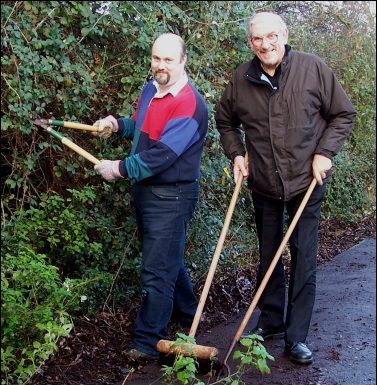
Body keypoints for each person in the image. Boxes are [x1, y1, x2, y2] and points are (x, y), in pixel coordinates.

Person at [215, 12, 356, 365]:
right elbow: (225, 121)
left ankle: (296, 337)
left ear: (284, 35)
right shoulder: (240, 80)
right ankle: (272, 321)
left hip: (306, 182)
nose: (265, 44)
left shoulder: (313, 69)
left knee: (304, 257)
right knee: (269, 255)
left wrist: (324, 153)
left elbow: (343, 115)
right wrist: (236, 153)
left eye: (271, 36)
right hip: (263, 183)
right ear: (250, 43)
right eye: (257, 39)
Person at [93, 33, 208, 360]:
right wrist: (117, 125)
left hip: (172, 195)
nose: (161, 66)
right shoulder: (150, 89)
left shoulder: (190, 103)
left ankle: (146, 341)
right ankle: (188, 313)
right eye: (156, 58)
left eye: (169, 60)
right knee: (166, 258)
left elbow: (162, 155)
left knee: (156, 269)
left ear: (183, 61)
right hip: (145, 191)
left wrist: (119, 168)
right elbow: (143, 128)